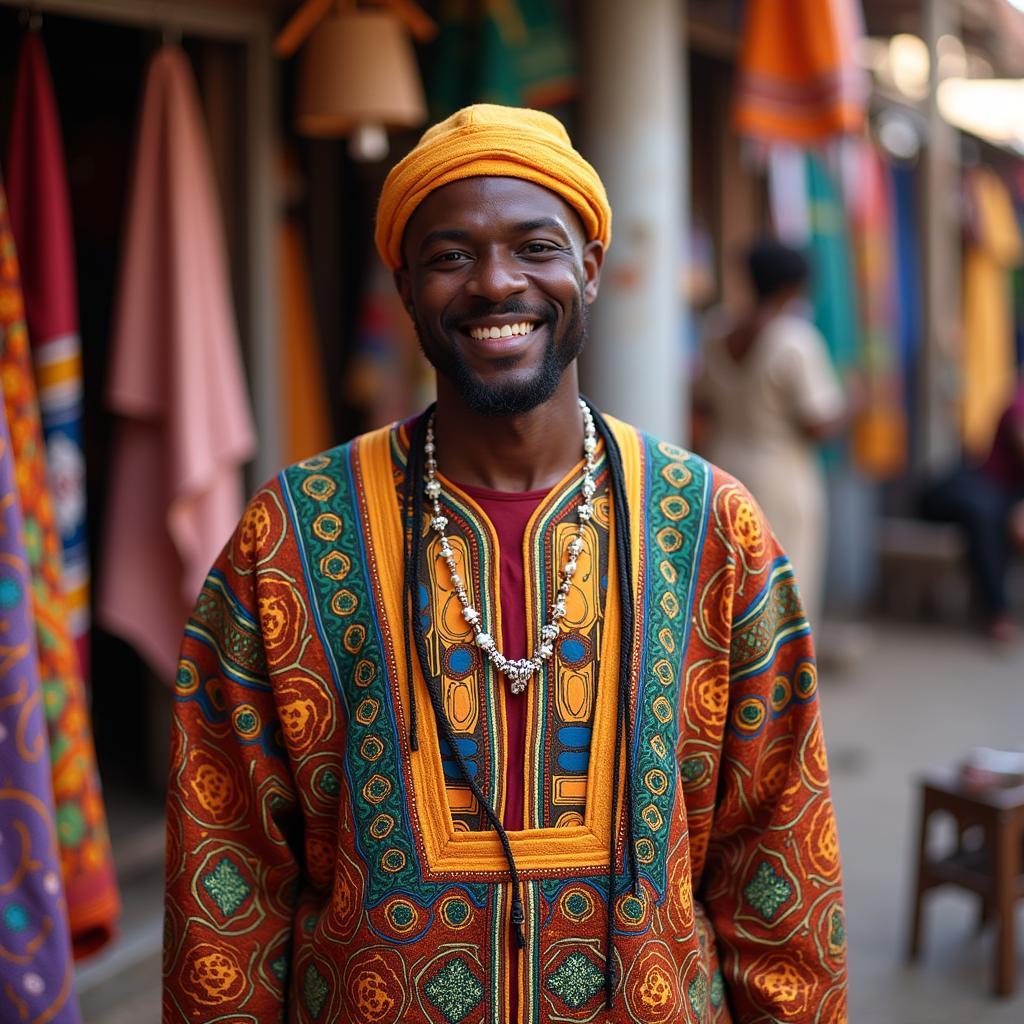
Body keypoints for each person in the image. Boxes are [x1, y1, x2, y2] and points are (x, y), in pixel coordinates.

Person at [162, 106, 847, 1023]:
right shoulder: (289, 532)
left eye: (535, 246)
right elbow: (227, 875)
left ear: (590, 270)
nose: (496, 283)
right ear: (405, 287)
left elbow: (779, 860)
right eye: (450, 256)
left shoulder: (714, 530)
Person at [693, 240, 848, 628]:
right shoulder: (795, 340)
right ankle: (776, 685)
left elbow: (701, 405)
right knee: (782, 596)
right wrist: (856, 403)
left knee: (730, 590)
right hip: (782, 479)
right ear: (792, 288)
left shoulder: (716, 332)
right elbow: (819, 423)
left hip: (723, 473)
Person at [919, 379, 1024, 642]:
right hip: (973, 486)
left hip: (1000, 496)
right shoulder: (1019, 401)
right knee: (986, 515)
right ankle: (996, 612)